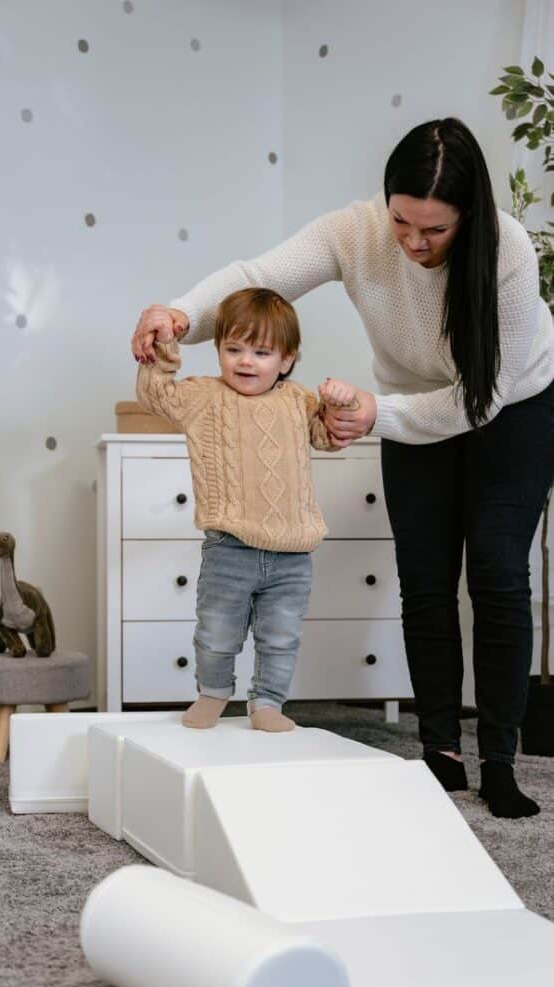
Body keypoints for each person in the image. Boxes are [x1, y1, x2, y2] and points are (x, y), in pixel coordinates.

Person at [131, 118, 554, 817]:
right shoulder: (353, 233)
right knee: (423, 581)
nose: (413, 244)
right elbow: (257, 277)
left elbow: (479, 401)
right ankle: (441, 752)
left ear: (469, 216)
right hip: (413, 407)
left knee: (498, 575)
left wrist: (376, 414)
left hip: (512, 409)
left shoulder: (506, 252)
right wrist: (177, 315)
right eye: (401, 223)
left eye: (434, 232)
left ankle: (500, 759)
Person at [136, 287, 350, 732]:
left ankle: (267, 703)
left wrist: (339, 402)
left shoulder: (298, 401)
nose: (246, 361)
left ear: (286, 360)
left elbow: (329, 437)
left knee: (280, 638)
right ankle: (213, 694)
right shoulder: (202, 397)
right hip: (229, 548)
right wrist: (164, 350)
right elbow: (157, 397)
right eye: (233, 349)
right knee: (216, 633)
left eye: (261, 351)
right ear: (218, 350)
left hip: (293, 553)